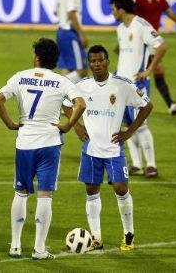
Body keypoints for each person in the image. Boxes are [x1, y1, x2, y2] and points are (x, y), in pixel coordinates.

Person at [0, 37, 85, 260]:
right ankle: (39, 249)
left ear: (37, 57)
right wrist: (68, 125)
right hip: (50, 143)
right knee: (45, 196)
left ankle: (15, 245)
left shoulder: (21, 76)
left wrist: (10, 124)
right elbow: (80, 104)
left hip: (24, 141)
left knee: (20, 193)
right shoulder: (62, 81)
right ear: (55, 60)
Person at [65, 45, 153, 252]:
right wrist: (76, 126)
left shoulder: (122, 85)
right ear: (89, 63)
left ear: (107, 61)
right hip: (91, 148)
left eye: (100, 60)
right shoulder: (81, 86)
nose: (96, 65)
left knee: (121, 189)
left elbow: (147, 105)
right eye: (93, 61)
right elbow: (65, 104)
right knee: (91, 190)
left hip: (113, 149)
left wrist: (130, 131)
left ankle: (129, 234)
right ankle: (96, 238)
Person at [111, 0, 167, 178]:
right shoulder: (120, 29)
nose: (112, 12)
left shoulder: (141, 25)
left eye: (113, 8)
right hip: (121, 83)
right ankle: (136, 164)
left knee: (141, 125)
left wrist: (148, 70)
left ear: (121, 9)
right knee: (128, 124)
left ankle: (151, 165)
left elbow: (162, 46)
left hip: (137, 84)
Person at [54, 0, 88, 83]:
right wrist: (81, 34)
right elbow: (71, 12)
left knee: (67, 68)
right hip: (70, 33)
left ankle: (62, 100)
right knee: (82, 71)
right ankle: (54, 87)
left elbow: (55, 11)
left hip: (61, 32)